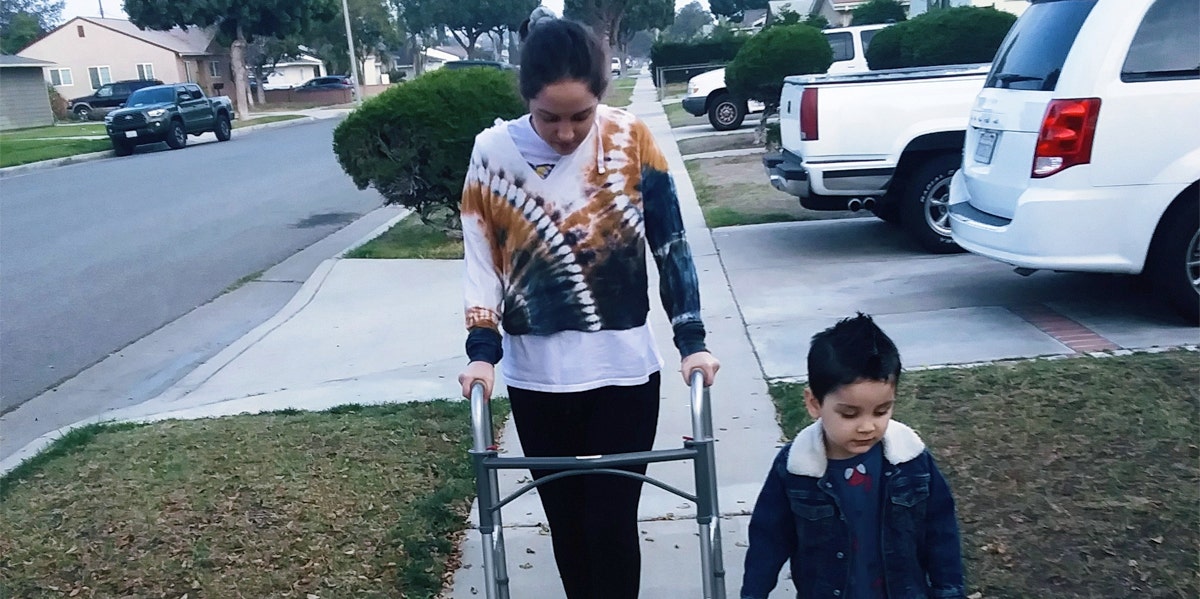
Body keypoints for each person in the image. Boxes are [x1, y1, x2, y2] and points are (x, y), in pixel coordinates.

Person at [455, 7, 720, 599]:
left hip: (625, 374)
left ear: (601, 97)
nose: (568, 132)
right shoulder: (492, 152)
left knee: (610, 523)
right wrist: (482, 351)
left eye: (581, 115)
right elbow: (481, 263)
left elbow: (671, 245)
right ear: (527, 96)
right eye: (550, 117)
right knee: (568, 527)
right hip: (536, 380)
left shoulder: (631, 139)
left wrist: (692, 341)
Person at [740, 313, 964, 599]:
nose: (867, 426)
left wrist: (949, 591)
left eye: (882, 411)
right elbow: (768, 539)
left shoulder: (911, 460)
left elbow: (941, 532)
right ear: (814, 403)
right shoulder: (795, 468)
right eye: (849, 414)